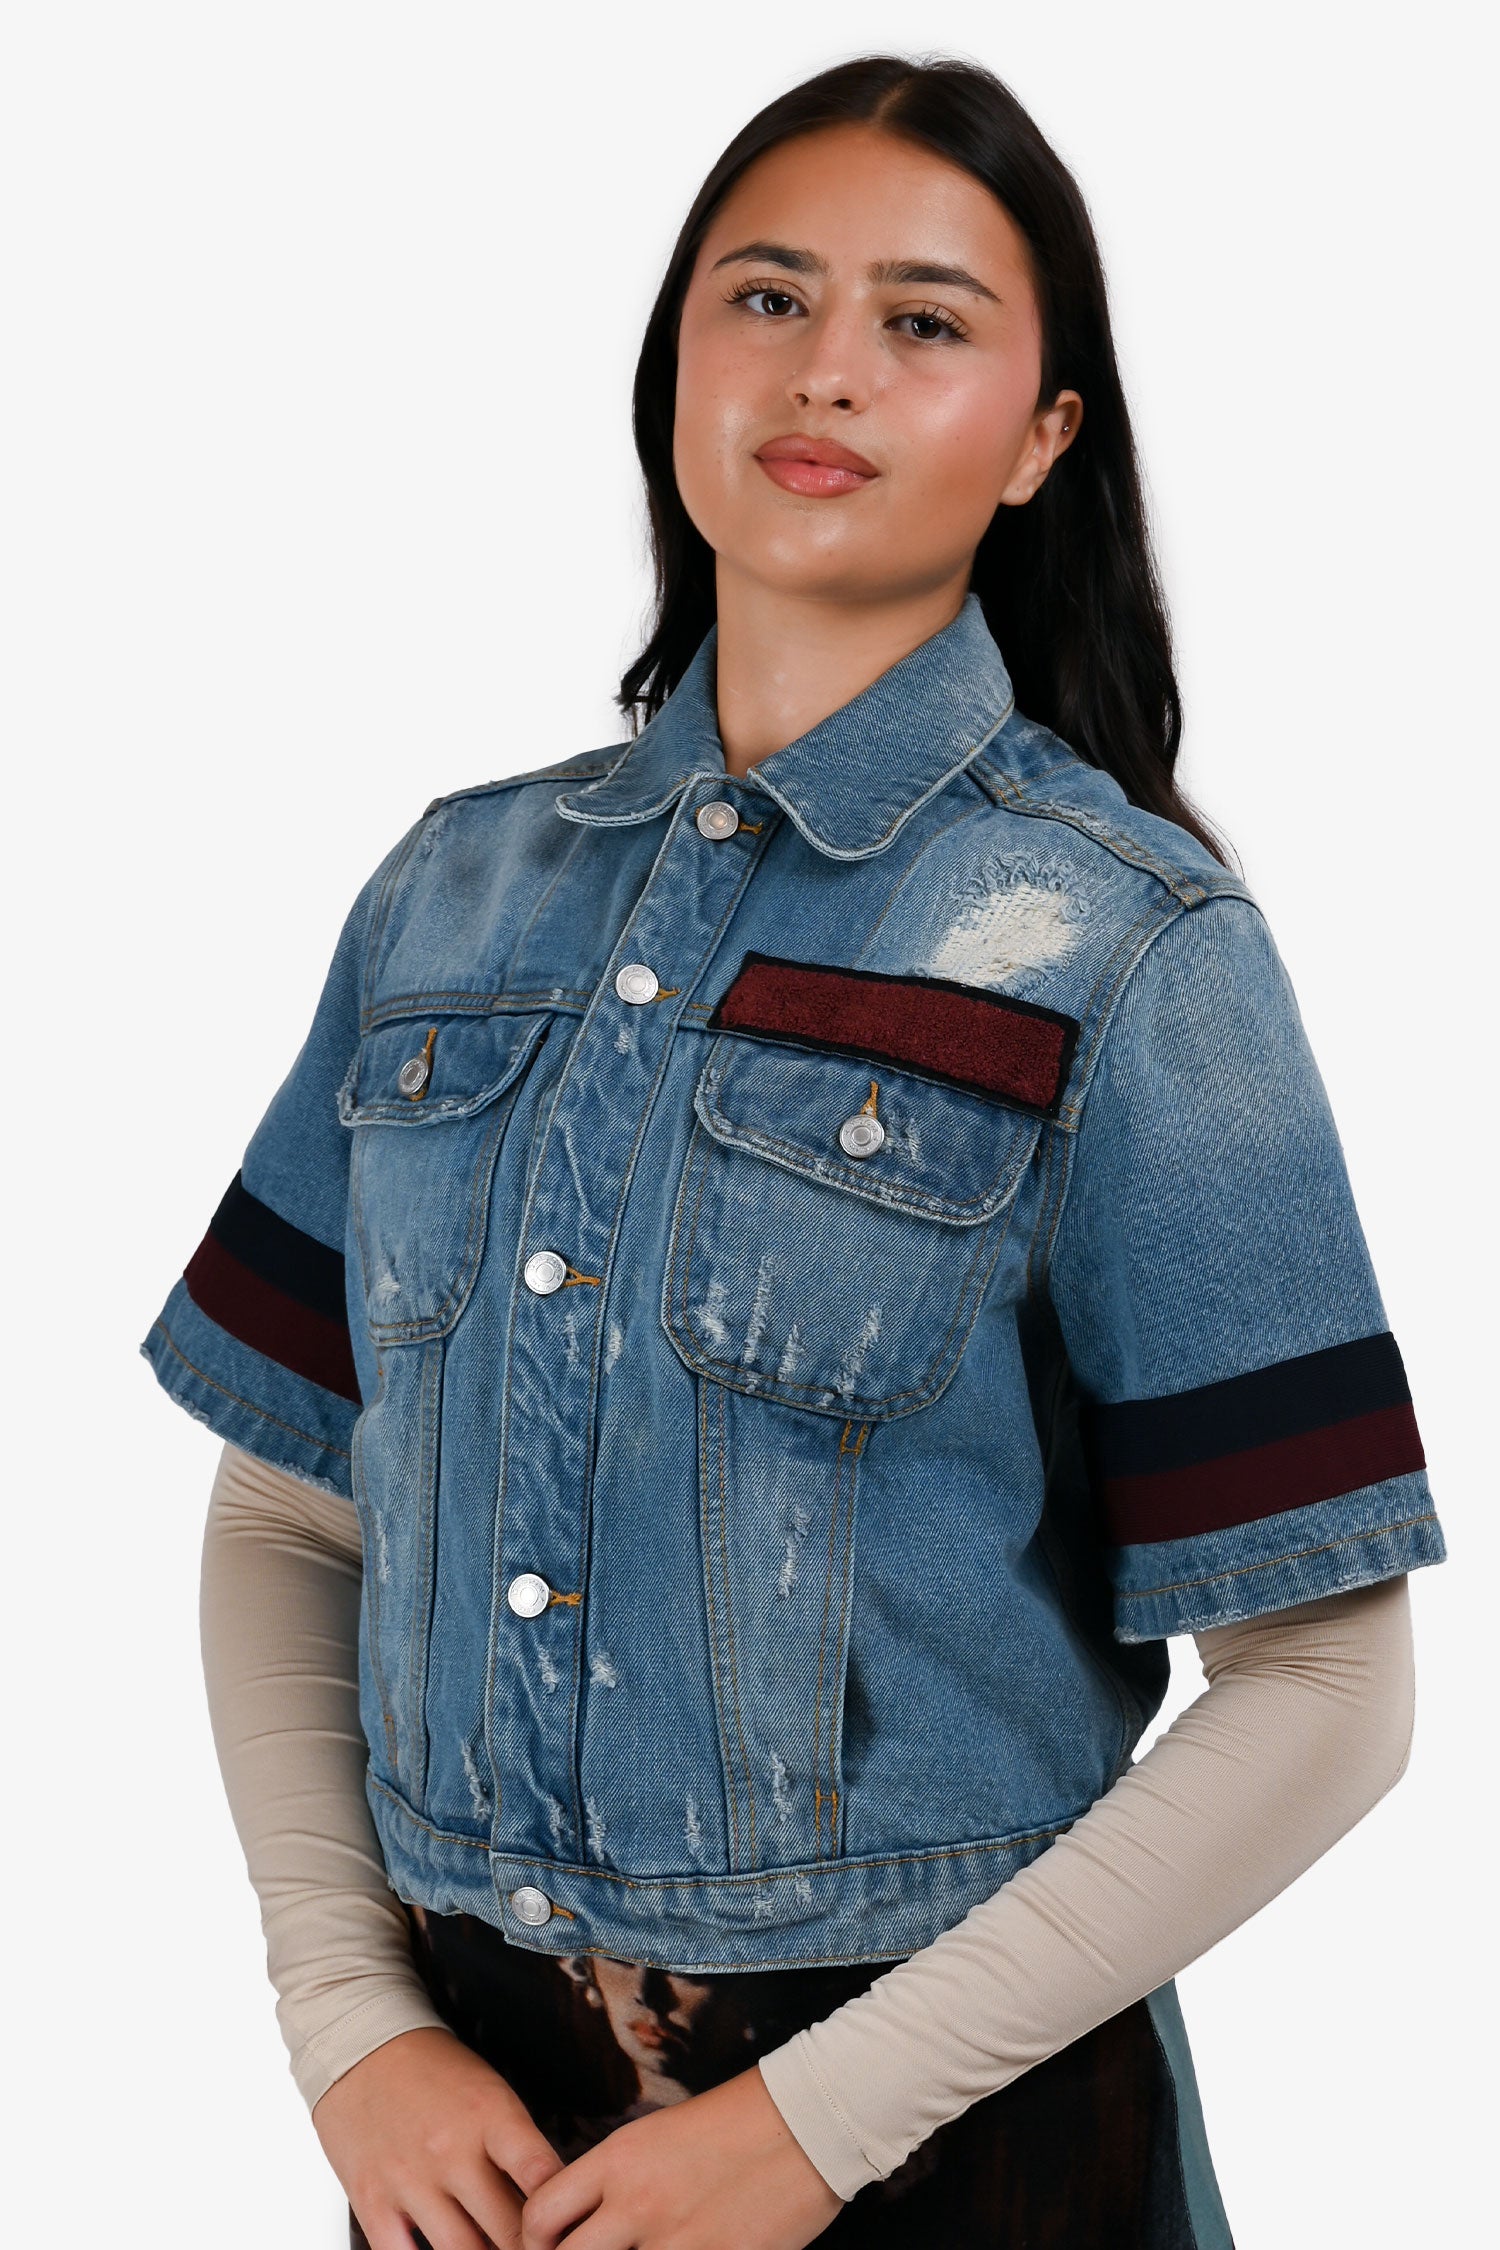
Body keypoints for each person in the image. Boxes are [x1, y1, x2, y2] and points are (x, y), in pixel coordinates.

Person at [143, 51, 1446, 2250]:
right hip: (473, 2158)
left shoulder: (1132, 949)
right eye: (767, 298)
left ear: (1043, 437)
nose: (827, 366)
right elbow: (288, 1508)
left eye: (924, 321)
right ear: (677, 362)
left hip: (965, 2161)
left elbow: (1326, 1691)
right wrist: (350, 2024)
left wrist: (816, 2127)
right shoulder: (447, 904)